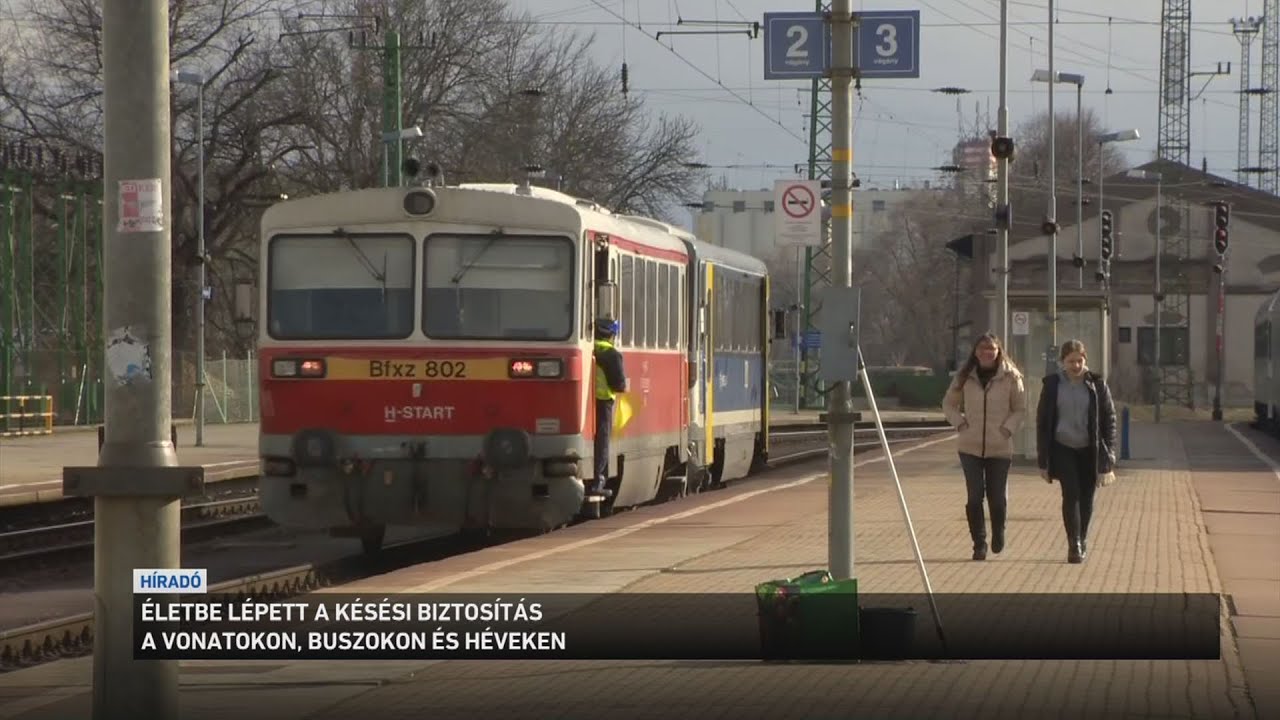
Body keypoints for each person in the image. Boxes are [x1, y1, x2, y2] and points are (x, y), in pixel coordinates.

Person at [942, 333, 1027, 561]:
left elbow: (1020, 408)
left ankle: (998, 531)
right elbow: (949, 404)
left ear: (999, 351)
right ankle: (979, 543)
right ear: (975, 352)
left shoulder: (1011, 376)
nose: (986, 353)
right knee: (974, 496)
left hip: (999, 447)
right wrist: (960, 423)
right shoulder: (964, 376)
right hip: (969, 447)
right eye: (981, 349)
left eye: (991, 349)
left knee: (997, 498)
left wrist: (1007, 429)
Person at [1035, 339, 1118, 564]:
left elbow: (1109, 418)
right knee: (1070, 494)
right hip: (1063, 447)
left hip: (1089, 448)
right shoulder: (1053, 385)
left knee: (1087, 496)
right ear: (1062, 362)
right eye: (1071, 361)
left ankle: (1083, 537)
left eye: (1079, 361)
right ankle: (1074, 544)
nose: (1076, 366)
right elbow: (1043, 422)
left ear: (1085, 361)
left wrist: (1108, 454)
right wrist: (1043, 460)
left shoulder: (1097, 385)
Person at [591, 317, 627, 499]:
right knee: (602, 441)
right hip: (604, 401)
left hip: (588, 402)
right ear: (611, 334)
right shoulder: (611, 354)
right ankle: (598, 480)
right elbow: (620, 385)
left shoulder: (591, 349)